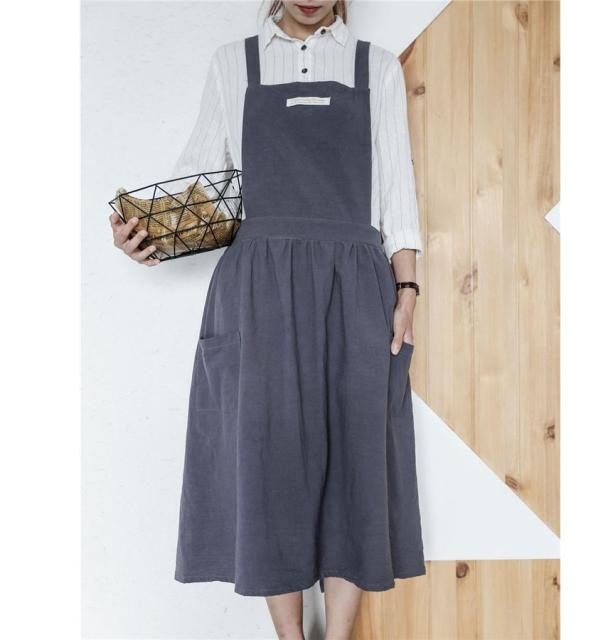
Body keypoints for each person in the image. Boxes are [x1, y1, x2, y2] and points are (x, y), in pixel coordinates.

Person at [109, 1, 425, 638]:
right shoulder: (234, 64)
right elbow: (199, 188)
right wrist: (145, 236)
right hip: (259, 288)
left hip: (354, 281)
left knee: (356, 455)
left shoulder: (377, 68)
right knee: (267, 457)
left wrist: (408, 287)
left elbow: (397, 190)